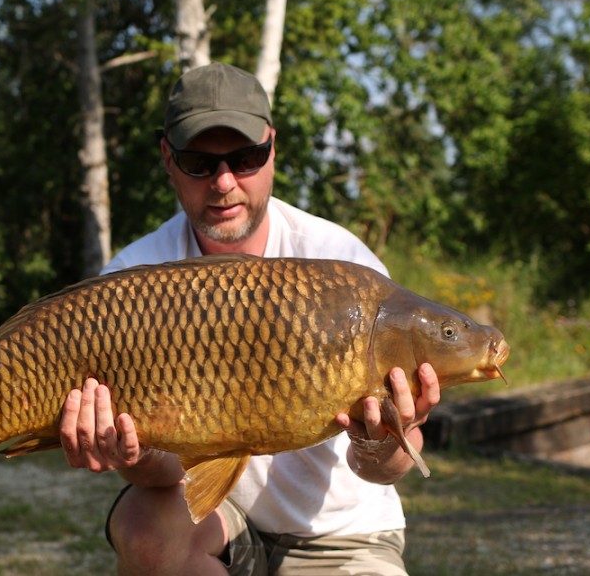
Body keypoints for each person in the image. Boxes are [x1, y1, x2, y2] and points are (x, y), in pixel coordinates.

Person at [58, 62, 441, 575]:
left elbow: (390, 468)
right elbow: (162, 475)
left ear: (272, 149)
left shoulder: (342, 263)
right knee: (145, 527)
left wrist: (382, 441)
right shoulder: (133, 280)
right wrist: (133, 452)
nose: (223, 182)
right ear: (168, 159)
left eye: (245, 158)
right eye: (199, 162)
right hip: (216, 522)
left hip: (340, 534)